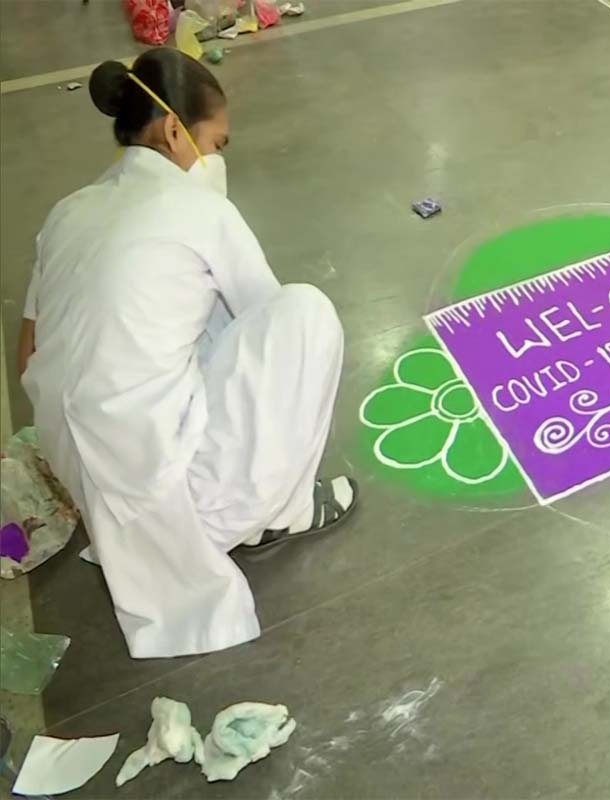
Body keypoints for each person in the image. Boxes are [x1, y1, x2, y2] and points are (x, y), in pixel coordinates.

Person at [18, 48, 358, 659]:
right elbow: (270, 324)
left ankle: (216, 498)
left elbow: (29, 355)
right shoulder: (200, 209)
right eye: (216, 144)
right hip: (177, 499)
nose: (217, 160)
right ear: (175, 132)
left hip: (94, 495)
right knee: (304, 313)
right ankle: (282, 512)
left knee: (177, 315)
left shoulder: (66, 211)